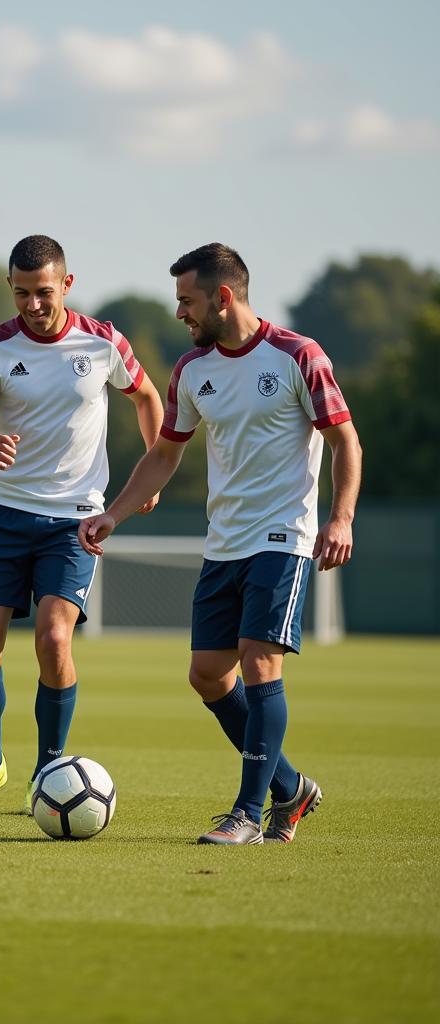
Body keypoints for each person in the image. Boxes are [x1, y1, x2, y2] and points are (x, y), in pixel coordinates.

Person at [79, 242, 362, 845]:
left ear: (223, 297)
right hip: (224, 542)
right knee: (208, 675)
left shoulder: (298, 355)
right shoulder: (193, 370)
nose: (180, 312)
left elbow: (346, 443)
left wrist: (340, 519)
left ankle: (249, 814)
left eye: (187, 300)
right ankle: (292, 788)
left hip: (283, 536)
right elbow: (164, 454)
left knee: (260, 664)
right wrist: (114, 515)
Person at [0, 234, 163, 815]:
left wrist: (153, 468)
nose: (33, 304)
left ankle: (49, 769)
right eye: (21, 293)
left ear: (67, 284)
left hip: (74, 520)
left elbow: (147, 398)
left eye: (43, 292)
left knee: (53, 637)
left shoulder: (103, 342)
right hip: (2, 513)